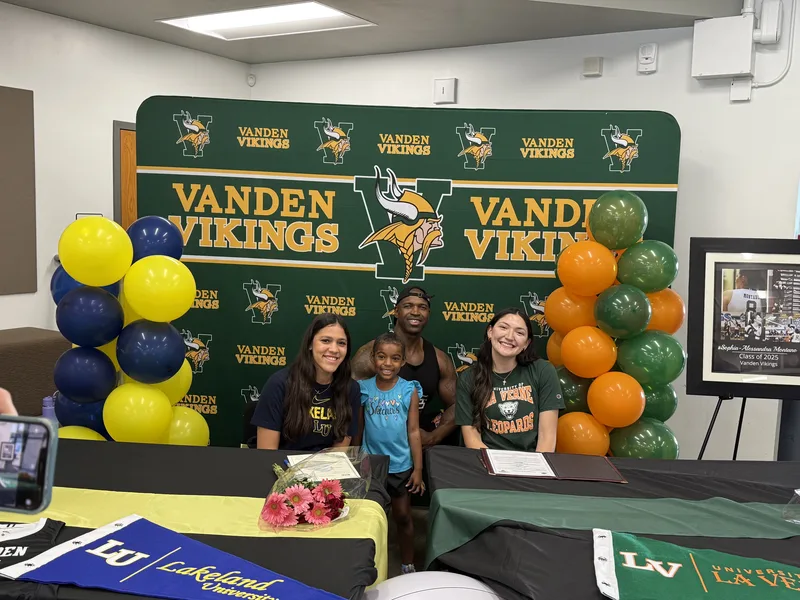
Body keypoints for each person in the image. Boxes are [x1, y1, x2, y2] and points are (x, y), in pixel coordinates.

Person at [352, 286, 458, 447]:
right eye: (408, 306)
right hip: (378, 445)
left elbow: (457, 405)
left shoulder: (440, 359)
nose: (415, 312)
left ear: (428, 314)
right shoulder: (369, 355)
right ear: (396, 311)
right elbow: (347, 403)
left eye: (422, 307)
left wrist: (434, 436)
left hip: (418, 443)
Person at [358, 332, 423, 575]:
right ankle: (366, 563)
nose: (388, 363)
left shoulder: (409, 390)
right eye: (382, 357)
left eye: (395, 358)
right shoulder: (362, 389)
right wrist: (355, 459)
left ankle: (408, 563)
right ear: (373, 358)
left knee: (403, 516)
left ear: (403, 361)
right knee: (371, 517)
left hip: (400, 466)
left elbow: (414, 431)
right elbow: (359, 428)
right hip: (371, 464)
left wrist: (418, 469)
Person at [456, 308, 564, 452]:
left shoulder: (543, 371)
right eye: (503, 327)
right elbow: (472, 439)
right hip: (487, 465)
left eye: (519, 332)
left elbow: (547, 438)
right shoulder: (469, 377)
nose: (509, 336)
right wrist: (499, 470)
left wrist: (533, 471)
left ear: (526, 343)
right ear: (490, 332)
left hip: (532, 464)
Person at [251, 313, 361, 451]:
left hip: (326, 469)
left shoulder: (351, 389)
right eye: (326, 340)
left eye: (341, 343)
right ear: (310, 344)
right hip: (282, 468)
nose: (334, 349)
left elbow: (339, 452)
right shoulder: (279, 384)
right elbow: (267, 453)